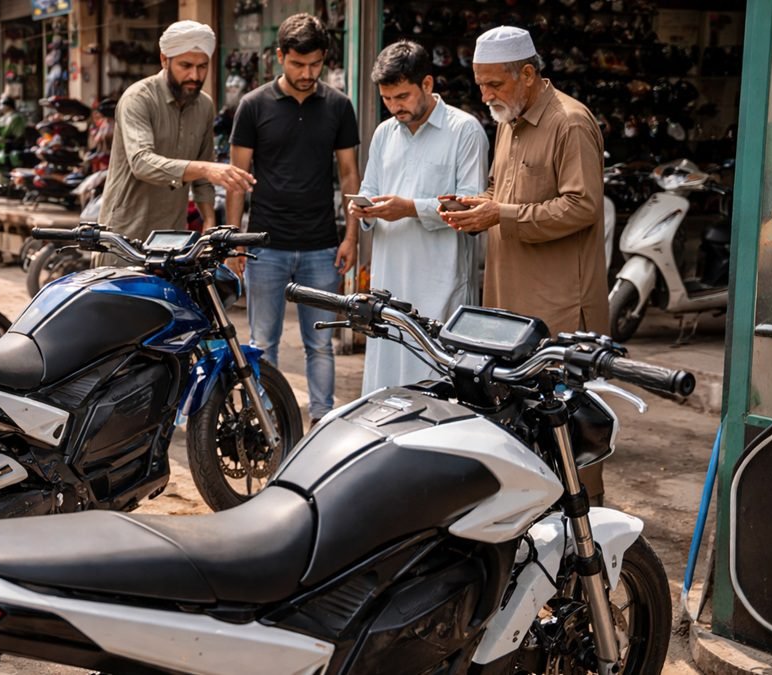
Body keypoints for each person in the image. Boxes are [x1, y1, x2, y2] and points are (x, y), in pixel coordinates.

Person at [440, 25, 608, 503]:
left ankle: (588, 542)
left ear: (529, 74)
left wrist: (501, 213)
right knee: (521, 425)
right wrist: (476, 208)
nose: (486, 95)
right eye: (481, 85)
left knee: (571, 433)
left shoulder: (570, 123)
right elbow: (501, 195)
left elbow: (582, 206)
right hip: (511, 305)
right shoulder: (507, 120)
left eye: (495, 84)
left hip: (560, 308)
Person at [226, 13, 360, 427]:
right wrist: (235, 242)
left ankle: (321, 419)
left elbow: (350, 174)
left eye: (316, 65)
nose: (307, 73)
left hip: (321, 244)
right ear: (279, 56)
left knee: (320, 344)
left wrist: (351, 237)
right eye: (298, 64)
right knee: (262, 343)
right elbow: (237, 179)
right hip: (266, 245)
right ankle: (265, 419)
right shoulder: (253, 106)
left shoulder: (339, 106)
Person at [350, 40, 489, 394]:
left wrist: (410, 208)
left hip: (440, 279)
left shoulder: (465, 130)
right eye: (387, 99)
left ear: (427, 85)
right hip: (389, 276)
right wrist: (361, 210)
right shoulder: (384, 133)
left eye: (402, 97)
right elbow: (371, 189)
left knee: (437, 378)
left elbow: (471, 207)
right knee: (387, 378)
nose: (395, 107)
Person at [98, 20, 255, 248]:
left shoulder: (204, 106)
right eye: (186, 65)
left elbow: (203, 176)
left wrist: (209, 219)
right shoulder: (138, 99)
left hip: (171, 238)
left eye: (202, 66)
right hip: (124, 236)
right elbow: (141, 162)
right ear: (164, 60)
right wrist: (206, 169)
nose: (195, 75)